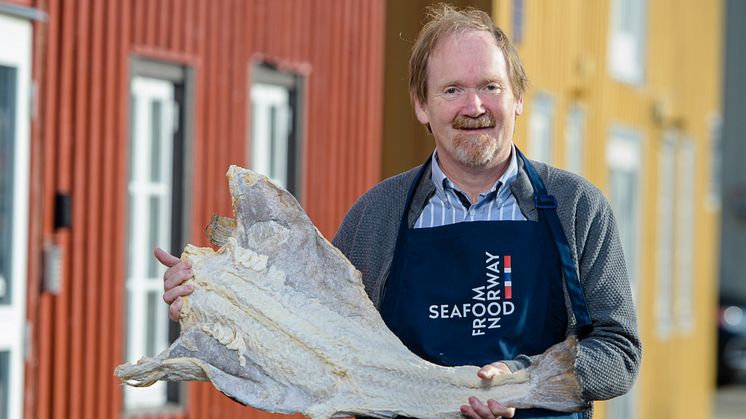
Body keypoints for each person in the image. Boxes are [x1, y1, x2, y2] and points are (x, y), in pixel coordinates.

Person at [158, 4, 641, 419]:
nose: (474, 106)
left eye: (490, 87)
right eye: (452, 90)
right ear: (421, 106)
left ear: (517, 99)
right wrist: (212, 306)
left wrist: (522, 378)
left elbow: (619, 352)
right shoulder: (377, 216)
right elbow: (307, 357)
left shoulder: (576, 207)